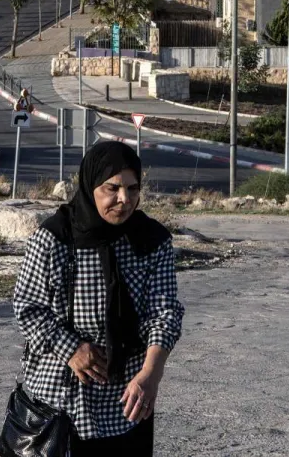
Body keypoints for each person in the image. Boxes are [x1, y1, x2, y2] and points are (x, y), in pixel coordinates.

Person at [12, 142, 184, 455]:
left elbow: (165, 313)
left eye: (133, 189)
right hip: (60, 401)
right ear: (91, 185)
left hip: (127, 402)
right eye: (112, 188)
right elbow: (28, 307)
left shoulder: (151, 240)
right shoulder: (53, 238)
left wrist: (151, 375)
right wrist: (72, 349)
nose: (124, 199)